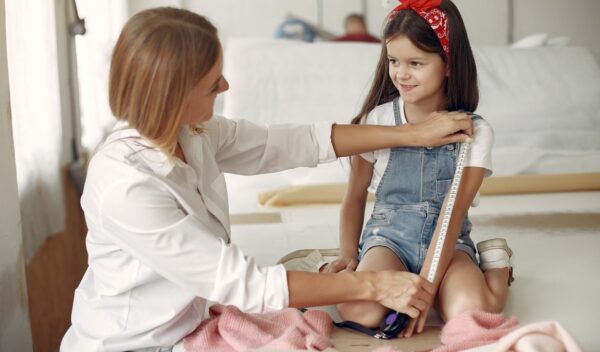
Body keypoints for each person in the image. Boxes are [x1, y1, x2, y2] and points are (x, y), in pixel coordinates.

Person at [60, 7, 476, 352]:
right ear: (173, 95)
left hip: (187, 326)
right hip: (131, 344)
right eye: (212, 83)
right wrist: (371, 284)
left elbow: (288, 143)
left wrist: (409, 135)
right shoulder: (127, 186)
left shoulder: (193, 132)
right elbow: (243, 283)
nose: (226, 85)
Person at [325, 0, 513, 339]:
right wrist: (347, 254)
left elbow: (452, 216)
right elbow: (353, 196)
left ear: (449, 65)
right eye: (394, 61)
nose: (401, 74)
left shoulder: (476, 132)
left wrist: (424, 293)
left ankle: (497, 269)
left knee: (469, 313)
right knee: (361, 311)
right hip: (388, 240)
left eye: (416, 63)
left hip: (449, 242)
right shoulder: (377, 122)